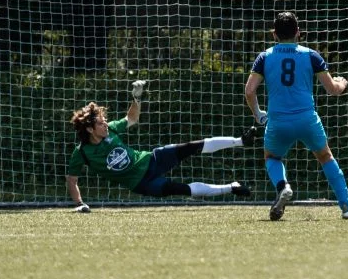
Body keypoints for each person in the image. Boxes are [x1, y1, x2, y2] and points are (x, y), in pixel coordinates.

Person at [67, 79, 258, 212]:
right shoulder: (82, 153)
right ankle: (232, 187)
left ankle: (240, 141)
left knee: (191, 146)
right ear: (90, 130)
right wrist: (80, 203)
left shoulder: (112, 129)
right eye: (100, 123)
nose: (105, 124)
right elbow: (72, 180)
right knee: (184, 189)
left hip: (151, 159)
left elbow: (131, 118)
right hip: (142, 184)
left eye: (104, 120)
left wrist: (137, 98)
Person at [244, 11, 348, 220]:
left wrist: (258, 114)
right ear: (298, 33)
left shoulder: (265, 57)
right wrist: (342, 83)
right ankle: (347, 208)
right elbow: (332, 89)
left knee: (272, 157)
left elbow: (249, 91)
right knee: (325, 156)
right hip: (307, 119)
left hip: (278, 121)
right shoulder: (311, 55)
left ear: (274, 34)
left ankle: (283, 186)